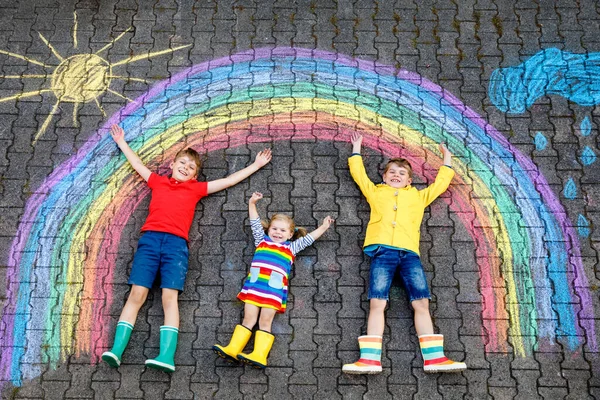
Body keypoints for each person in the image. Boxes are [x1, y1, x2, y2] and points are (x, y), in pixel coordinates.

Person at [101, 124, 272, 372]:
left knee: (169, 298)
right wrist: (122, 142)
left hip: (175, 247)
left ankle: (166, 357)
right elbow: (138, 165)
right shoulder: (157, 182)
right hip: (149, 242)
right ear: (172, 165)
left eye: (191, 168)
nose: (185, 167)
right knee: (136, 295)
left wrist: (255, 166)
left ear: (194, 176)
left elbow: (227, 181)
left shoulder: (195, 189)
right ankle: (117, 351)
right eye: (182, 163)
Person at [342, 132, 466, 374]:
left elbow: (440, 185)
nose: (396, 176)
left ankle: (435, 359)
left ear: (409, 180)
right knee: (377, 302)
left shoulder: (418, 197)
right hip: (383, 253)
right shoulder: (376, 192)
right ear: (384, 177)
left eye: (402, 173)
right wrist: (356, 150)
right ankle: (369, 360)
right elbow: (359, 177)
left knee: (421, 302)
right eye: (392, 173)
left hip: (409, 254)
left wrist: (447, 160)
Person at [213, 192, 334, 369]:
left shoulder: (291, 248)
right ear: (268, 230)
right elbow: (255, 222)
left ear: (291, 234)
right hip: (253, 289)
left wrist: (323, 227)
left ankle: (259, 355)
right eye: (274, 229)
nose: (278, 232)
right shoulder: (261, 241)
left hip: (273, 291)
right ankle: (233, 349)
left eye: (283, 230)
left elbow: (309, 239)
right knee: (248, 319)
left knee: (265, 322)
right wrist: (252, 203)